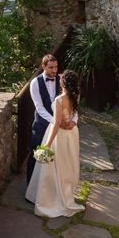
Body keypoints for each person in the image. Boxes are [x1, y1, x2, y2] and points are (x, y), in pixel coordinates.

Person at [25, 69, 83, 218]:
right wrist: (72, 123)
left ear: (63, 83)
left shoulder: (59, 100)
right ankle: (65, 193)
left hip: (60, 135)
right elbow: (74, 113)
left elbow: (56, 123)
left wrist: (47, 144)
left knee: (54, 166)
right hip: (71, 135)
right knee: (66, 164)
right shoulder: (76, 96)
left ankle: (53, 197)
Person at [26, 55, 75, 183]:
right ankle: (30, 189)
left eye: (56, 67)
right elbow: (39, 108)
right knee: (35, 154)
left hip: (59, 129)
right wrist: (57, 122)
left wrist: (74, 121)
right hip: (41, 125)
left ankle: (49, 189)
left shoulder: (62, 81)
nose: (54, 70)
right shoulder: (35, 83)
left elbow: (73, 104)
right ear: (43, 67)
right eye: (51, 67)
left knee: (55, 158)